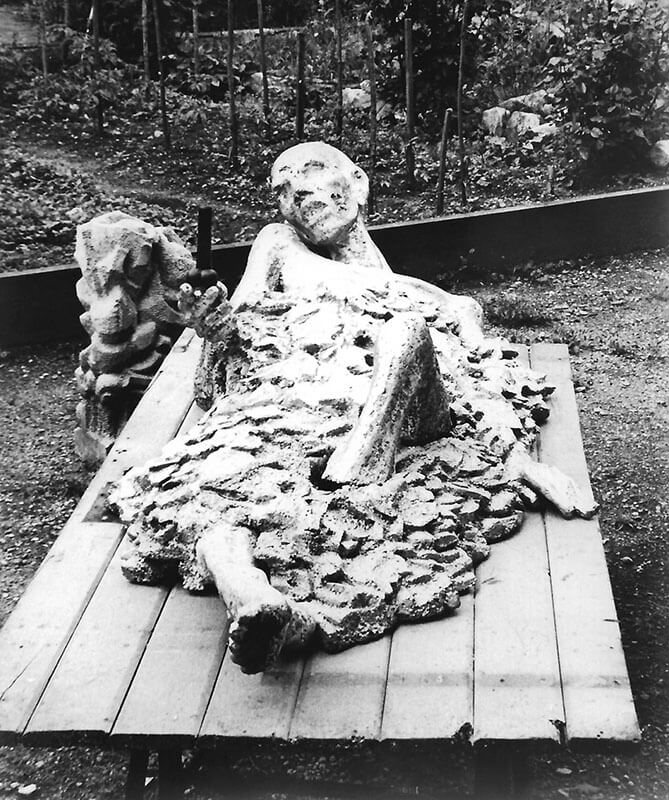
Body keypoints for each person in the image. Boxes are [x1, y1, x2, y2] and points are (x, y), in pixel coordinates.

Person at [112, 143, 595, 674]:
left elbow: (483, 377)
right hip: (297, 400)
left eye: (312, 172)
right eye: (282, 188)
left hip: (406, 411)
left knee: (405, 332)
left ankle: (352, 479)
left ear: (358, 183)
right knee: (225, 486)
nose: (298, 191)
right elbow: (217, 379)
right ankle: (252, 595)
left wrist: (516, 458)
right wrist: (216, 330)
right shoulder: (279, 245)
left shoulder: (437, 301)